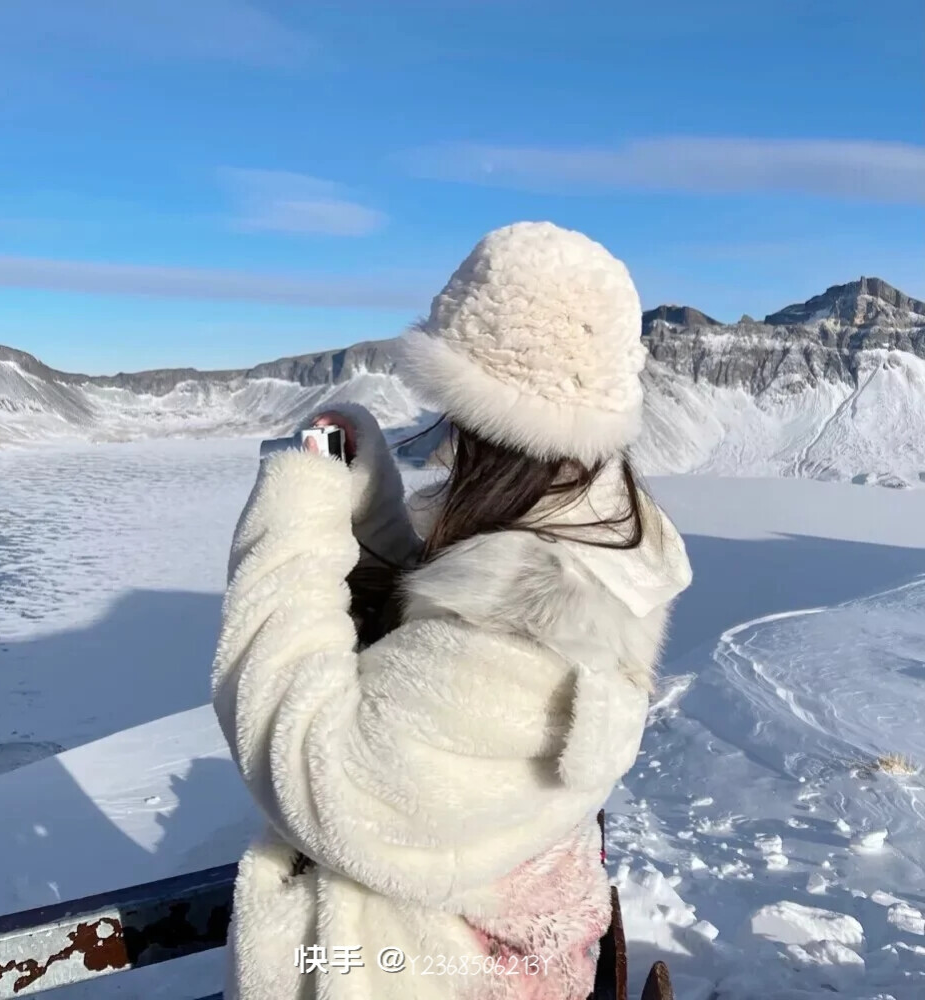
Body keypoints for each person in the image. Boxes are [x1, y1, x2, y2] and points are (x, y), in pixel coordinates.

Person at [211, 221, 693, 1000]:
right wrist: (373, 518)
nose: (444, 441)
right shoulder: (592, 550)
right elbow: (433, 652)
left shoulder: (518, 639)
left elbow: (315, 771)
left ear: (491, 419)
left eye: (454, 413)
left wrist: (291, 521)